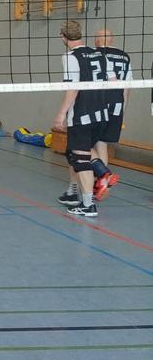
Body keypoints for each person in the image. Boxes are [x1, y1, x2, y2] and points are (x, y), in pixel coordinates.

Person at [53, 20, 108, 217]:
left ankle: (88, 205)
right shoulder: (98, 54)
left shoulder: (70, 57)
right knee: (76, 153)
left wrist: (61, 114)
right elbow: (113, 81)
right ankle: (102, 172)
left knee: (81, 157)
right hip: (101, 113)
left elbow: (72, 89)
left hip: (82, 115)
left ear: (63, 36)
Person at [91, 27, 132, 199]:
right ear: (112, 40)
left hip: (96, 104)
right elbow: (127, 86)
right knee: (102, 144)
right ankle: (102, 184)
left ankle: (102, 175)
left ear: (97, 41)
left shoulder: (92, 55)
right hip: (116, 106)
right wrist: (123, 109)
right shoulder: (125, 57)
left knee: (84, 144)